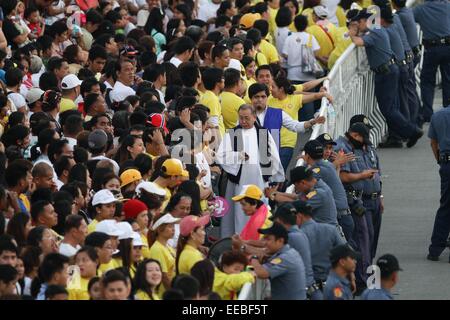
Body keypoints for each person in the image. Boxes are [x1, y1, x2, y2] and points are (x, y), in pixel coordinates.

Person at [348, 9, 423, 148]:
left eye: (359, 22)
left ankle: (411, 131)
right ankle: (400, 135)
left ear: (366, 21)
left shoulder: (374, 32)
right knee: (392, 107)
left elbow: (358, 42)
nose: (358, 25)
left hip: (385, 73)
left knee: (388, 109)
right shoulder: (378, 29)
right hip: (390, 70)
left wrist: (352, 33)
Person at [216, 104, 284, 237]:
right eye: (241, 118)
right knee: (239, 212)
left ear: (254, 117)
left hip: (259, 178)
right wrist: (238, 156)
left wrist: (276, 178)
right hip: (239, 180)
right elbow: (220, 155)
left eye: (247, 118)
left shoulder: (263, 133)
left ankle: (260, 235)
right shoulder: (233, 133)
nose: (243, 121)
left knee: (260, 208)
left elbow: (273, 156)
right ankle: (240, 236)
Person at [302, 139, 354, 242]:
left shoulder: (317, 170)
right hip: (344, 217)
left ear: (307, 156)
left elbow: (303, 188)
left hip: (340, 219)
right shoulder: (327, 166)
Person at [249, 83, 325, 151]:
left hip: (271, 160)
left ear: (267, 98)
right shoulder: (244, 114)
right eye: (256, 97)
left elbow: (295, 126)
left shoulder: (278, 113)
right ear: (251, 98)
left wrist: (313, 121)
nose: (260, 100)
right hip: (250, 160)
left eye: (263, 96)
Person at [293, 200, 345, 292]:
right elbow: (345, 253)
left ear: (299, 216)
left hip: (311, 288)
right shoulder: (331, 229)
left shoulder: (298, 236)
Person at [413, 0, 450, 122]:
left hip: (432, 49)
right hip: (448, 46)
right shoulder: (447, 5)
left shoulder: (420, 9)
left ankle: (428, 113)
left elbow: (407, 19)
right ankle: (448, 110)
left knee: (427, 81)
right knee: (448, 80)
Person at [269, 203, 317, 299]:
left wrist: (245, 248)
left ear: (278, 221)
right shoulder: (297, 234)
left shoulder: (291, 237)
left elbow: (267, 254)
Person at [249, 222, 306, 300]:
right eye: (264, 238)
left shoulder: (285, 257)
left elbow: (262, 273)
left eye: (268, 239)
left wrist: (254, 258)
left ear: (280, 241)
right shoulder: (287, 252)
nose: (264, 242)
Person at [427, 104, 450, 261]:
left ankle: (435, 248)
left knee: (445, 206)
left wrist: (440, 161)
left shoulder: (438, 115)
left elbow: (433, 143)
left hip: (446, 163)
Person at [148, 213, 180, 293]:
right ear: (159, 229)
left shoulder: (168, 246)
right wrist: (173, 294)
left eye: (173, 226)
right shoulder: (157, 249)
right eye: (169, 226)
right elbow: (164, 276)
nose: (173, 229)